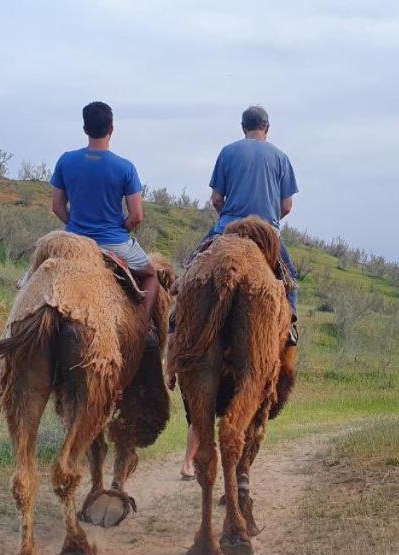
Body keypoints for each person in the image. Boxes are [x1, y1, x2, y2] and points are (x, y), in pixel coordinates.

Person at [180, 104, 299, 480]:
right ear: (267, 127)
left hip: (227, 229)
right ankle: (291, 324)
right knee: (289, 277)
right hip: (266, 232)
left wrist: (230, 208)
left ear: (243, 127)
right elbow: (286, 205)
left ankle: (175, 321)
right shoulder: (280, 156)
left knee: (192, 270)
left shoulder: (228, 152)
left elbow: (216, 200)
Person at [49, 101, 158, 325]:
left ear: (85, 129)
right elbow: (136, 216)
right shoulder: (125, 167)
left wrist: (76, 225)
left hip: (74, 242)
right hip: (113, 243)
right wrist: (119, 228)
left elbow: (57, 207)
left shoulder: (65, 160)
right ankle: (142, 328)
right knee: (150, 275)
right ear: (111, 129)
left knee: (36, 275)